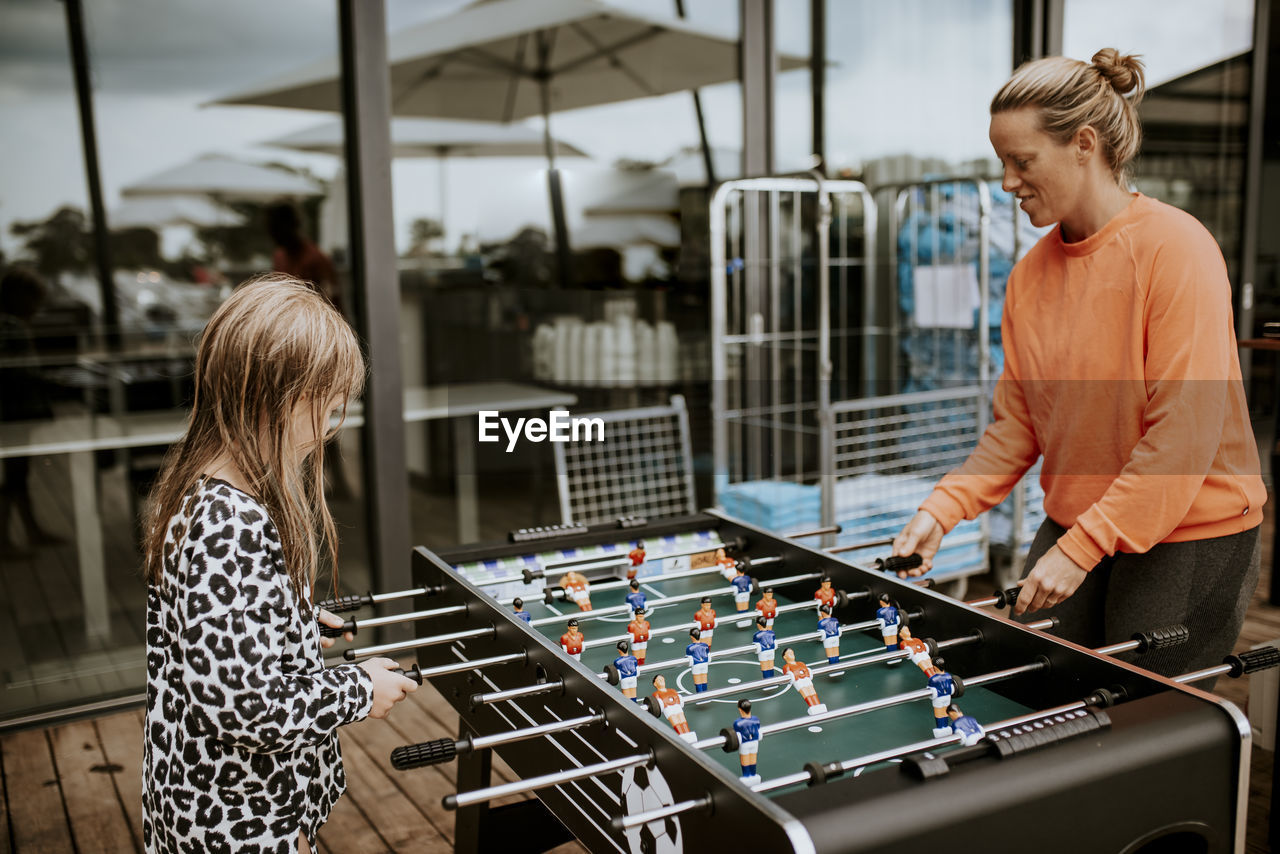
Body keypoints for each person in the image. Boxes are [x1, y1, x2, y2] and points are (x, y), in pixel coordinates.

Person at [891, 49, 1265, 678]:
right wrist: (942, 508)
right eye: (1001, 162)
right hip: (1078, 518)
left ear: (1083, 144)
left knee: (1141, 723)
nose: (1007, 181)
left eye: (1022, 161)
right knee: (1033, 689)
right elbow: (1017, 428)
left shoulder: (1177, 249)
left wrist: (1084, 546)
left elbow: (1183, 436)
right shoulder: (1028, 278)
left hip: (1193, 530)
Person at [140, 275, 418, 854]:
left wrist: (287, 618)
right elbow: (247, 709)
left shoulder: (203, 489)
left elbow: (217, 632)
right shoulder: (228, 524)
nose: (337, 415)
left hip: (221, 805)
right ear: (276, 396)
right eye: (329, 398)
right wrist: (359, 689)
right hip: (237, 822)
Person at [0, 268, 60, 555]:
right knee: (14, 477)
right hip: (15, 412)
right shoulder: (11, 326)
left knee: (18, 476)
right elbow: (19, 373)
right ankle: (7, 538)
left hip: (14, 411)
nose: (36, 308)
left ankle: (29, 529)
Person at [266, 201, 340, 313]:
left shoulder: (315, 258)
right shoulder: (279, 256)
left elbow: (334, 305)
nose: (273, 235)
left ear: (292, 226)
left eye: (276, 229)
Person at [651, 674, 697, 742]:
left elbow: (677, 697)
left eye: (662, 679)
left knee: (682, 720)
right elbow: (659, 702)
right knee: (675, 721)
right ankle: (682, 735)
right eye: (659, 680)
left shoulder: (672, 690)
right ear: (655, 684)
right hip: (668, 708)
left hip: (676, 706)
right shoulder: (656, 693)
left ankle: (688, 734)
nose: (661, 681)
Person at [731, 699, 762, 785]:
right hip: (755, 742)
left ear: (740, 710)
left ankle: (747, 776)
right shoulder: (756, 720)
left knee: (745, 759)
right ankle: (753, 775)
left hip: (744, 744)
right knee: (753, 758)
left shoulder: (737, 723)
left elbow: (736, 734)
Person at [685, 627, 711, 692]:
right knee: (704, 680)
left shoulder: (689, 647)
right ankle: (706, 694)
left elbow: (688, 658)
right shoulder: (705, 645)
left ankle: (700, 696)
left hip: (696, 665)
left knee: (698, 682)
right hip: (705, 664)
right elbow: (708, 654)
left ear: (692, 637)